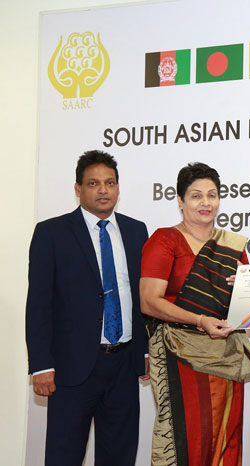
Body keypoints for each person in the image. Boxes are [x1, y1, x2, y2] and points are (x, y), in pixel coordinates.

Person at [25, 150, 148, 465]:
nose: (103, 190)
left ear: (118, 187)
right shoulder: (51, 233)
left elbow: (141, 298)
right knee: (64, 456)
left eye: (110, 183)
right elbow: (38, 304)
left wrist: (144, 352)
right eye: (93, 183)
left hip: (123, 365)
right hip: (72, 368)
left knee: (119, 456)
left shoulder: (136, 231)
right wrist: (41, 365)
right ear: (78, 189)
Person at [140, 162, 250, 466]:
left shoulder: (232, 246)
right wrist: (199, 320)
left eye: (212, 195)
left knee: (225, 434)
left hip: (226, 353)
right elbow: (149, 302)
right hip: (180, 353)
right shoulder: (165, 240)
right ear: (180, 201)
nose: (205, 202)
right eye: (196, 195)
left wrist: (246, 290)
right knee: (189, 435)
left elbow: (248, 305)